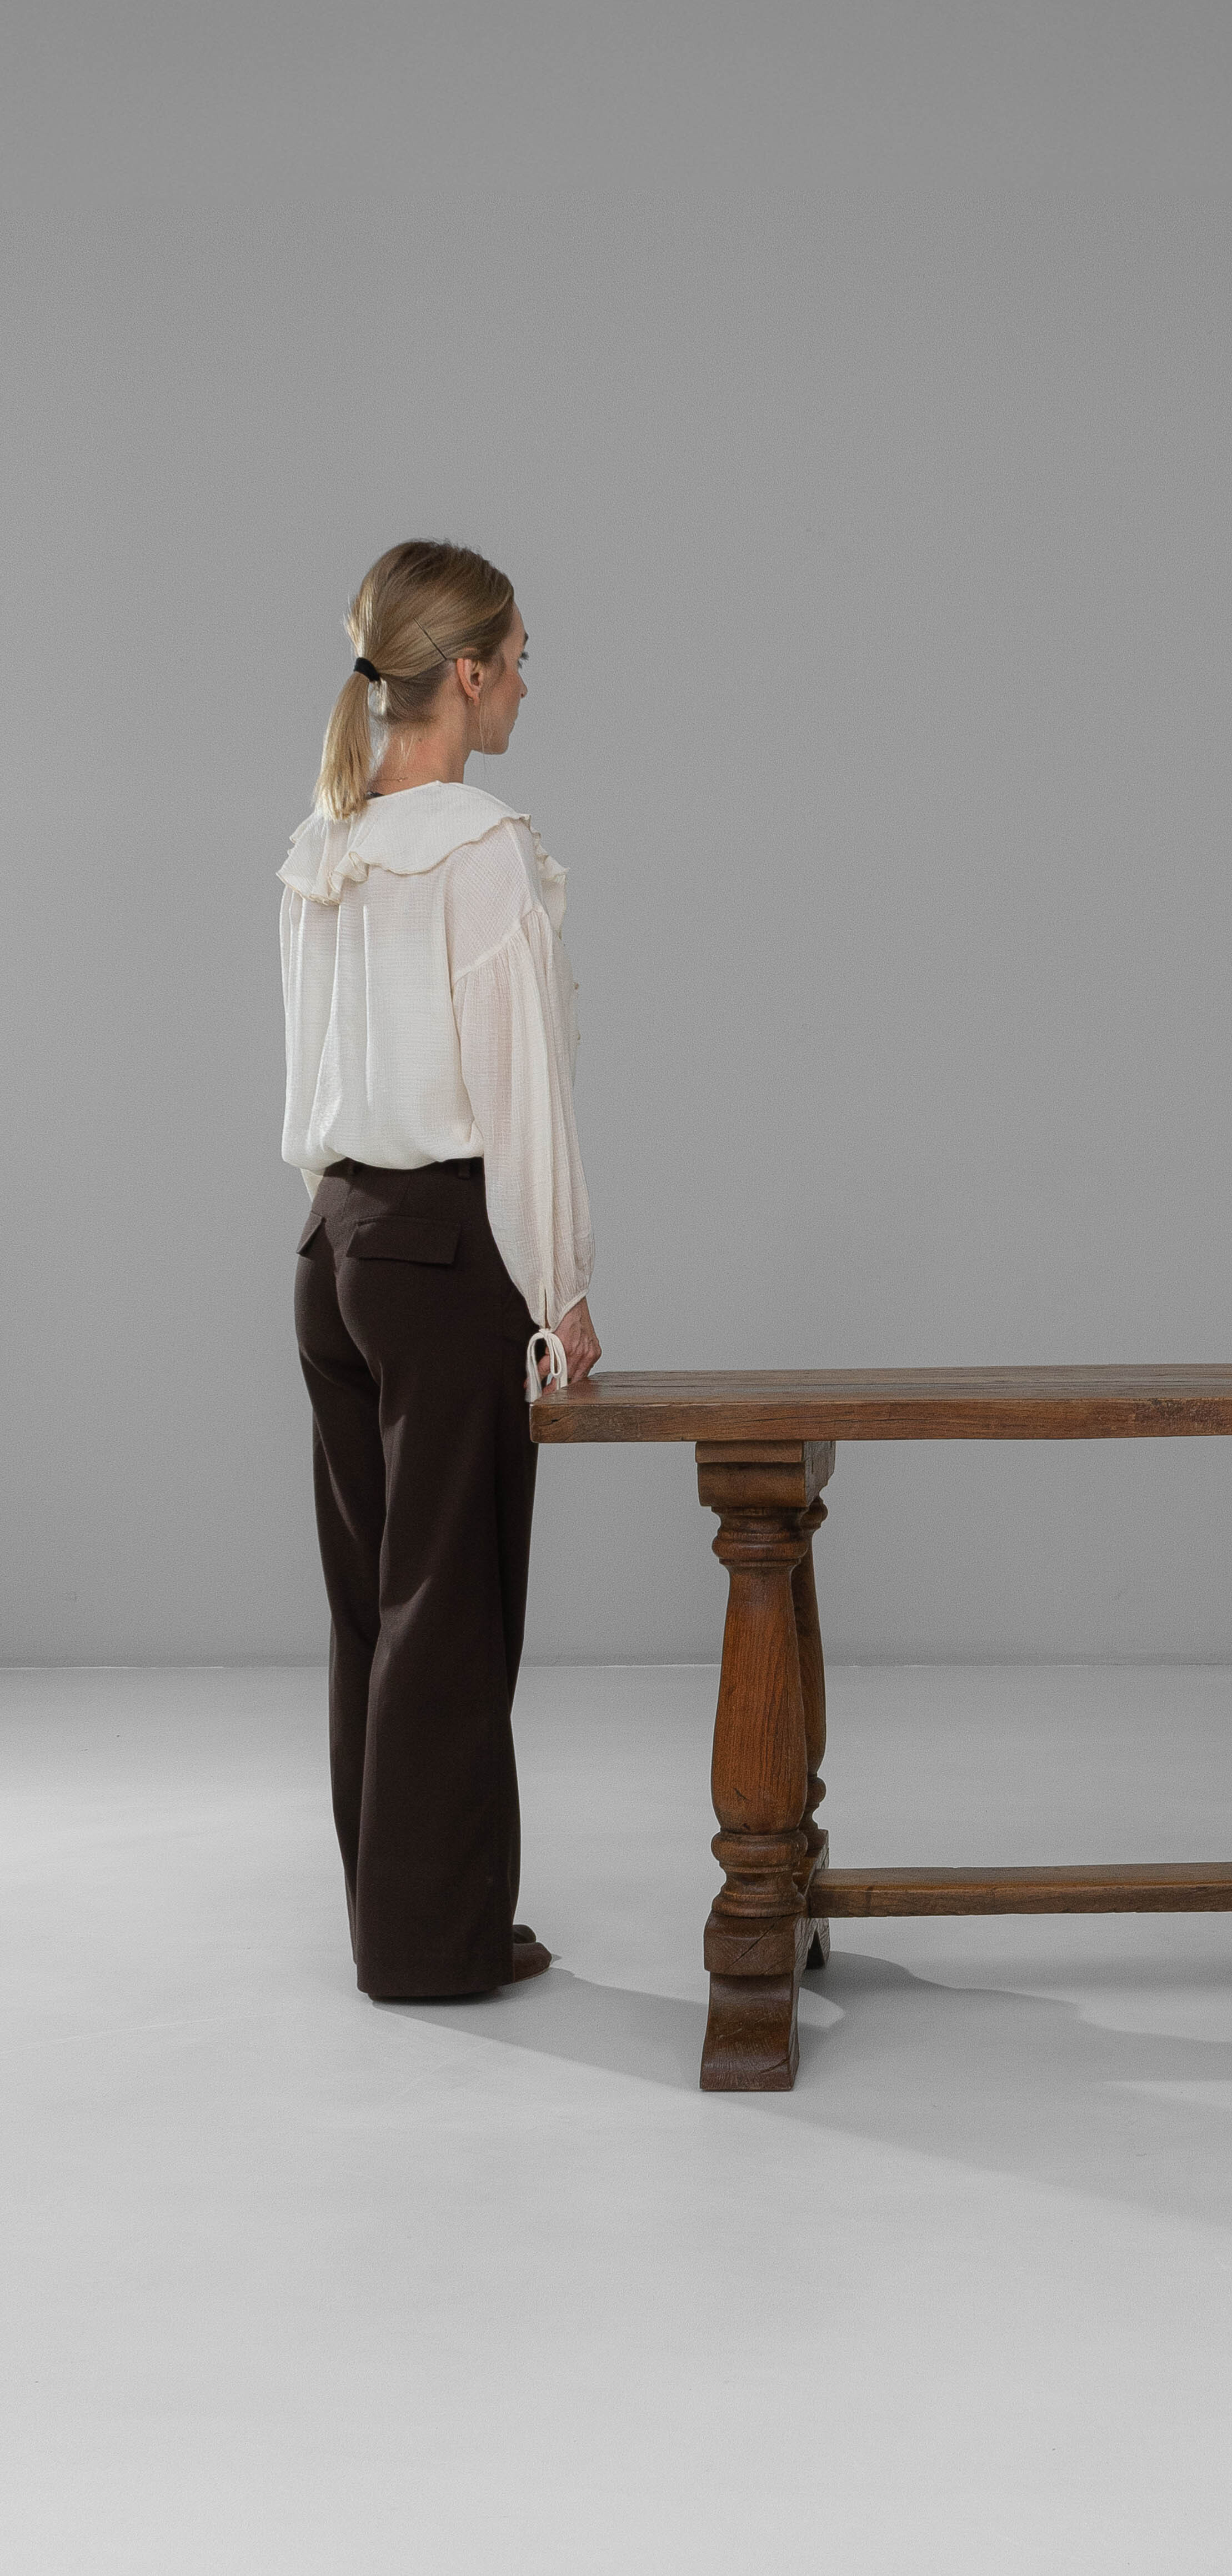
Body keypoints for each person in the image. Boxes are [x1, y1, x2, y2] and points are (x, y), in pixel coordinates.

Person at [279, 540, 599, 2001]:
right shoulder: (479, 847)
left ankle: (398, 1924)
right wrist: (561, 1287)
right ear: (464, 672)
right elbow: (521, 1090)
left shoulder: (328, 841)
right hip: (441, 1252)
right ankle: (434, 1946)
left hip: (336, 1242)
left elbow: (308, 1073)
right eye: (519, 659)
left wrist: (344, 1228)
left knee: (375, 1608)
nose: (527, 683)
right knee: (451, 1612)